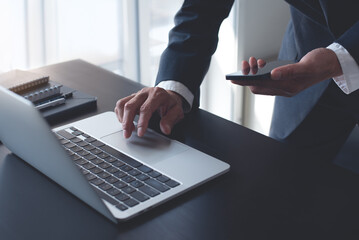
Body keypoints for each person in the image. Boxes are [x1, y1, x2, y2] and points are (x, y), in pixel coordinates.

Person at [115, 0, 359, 160]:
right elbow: (202, 9)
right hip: (306, 55)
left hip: (328, 56)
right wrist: (173, 87)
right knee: (283, 185)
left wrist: (337, 58)